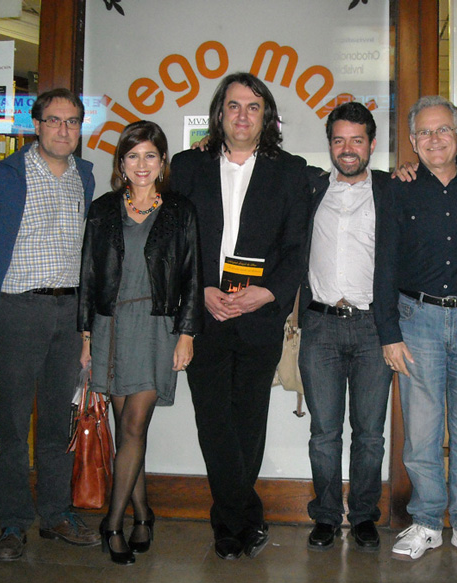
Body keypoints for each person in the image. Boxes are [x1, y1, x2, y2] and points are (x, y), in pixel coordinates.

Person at [169, 72, 309, 560]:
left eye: (253, 106)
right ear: (219, 114)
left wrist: (266, 294)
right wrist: (199, 289)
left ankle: (231, 523)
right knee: (213, 421)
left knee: (248, 421)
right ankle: (241, 518)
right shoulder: (187, 166)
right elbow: (174, 240)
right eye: (233, 106)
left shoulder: (290, 171)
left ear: (266, 116)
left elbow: (297, 247)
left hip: (259, 317)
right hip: (203, 315)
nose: (243, 115)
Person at [0, 88, 101, 561]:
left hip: (69, 314)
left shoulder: (85, 176)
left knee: (59, 422)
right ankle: (13, 522)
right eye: (54, 120)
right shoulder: (5, 178)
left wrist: (87, 328)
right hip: (16, 313)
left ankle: (56, 514)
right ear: (36, 125)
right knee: (14, 423)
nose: (64, 129)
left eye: (72, 121)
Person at [374, 95, 457, 563]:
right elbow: (385, 263)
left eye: (443, 129)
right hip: (418, 321)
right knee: (422, 431)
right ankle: (428, 522)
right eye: (425, 132)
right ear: (413, 141)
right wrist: (388, 332)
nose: (434, 139)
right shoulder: (398, 189)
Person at [78, 120, 203, 565]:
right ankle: (144, 514)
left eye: (150, 155)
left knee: (133, 426)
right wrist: (86, 336)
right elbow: (88, 275)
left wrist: (187, 333)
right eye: (133, 155)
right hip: (111, 326)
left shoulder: (180, 210)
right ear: (121, 163)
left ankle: (112, 523)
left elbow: (193, 276)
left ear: (163, 161)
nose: (142, 164)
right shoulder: (103, 209)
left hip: (157, 326)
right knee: (128, 430)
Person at [299, 102, 394, 552]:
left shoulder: (393, 189)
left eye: (357, 140)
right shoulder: (311, 187)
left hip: (375, 326)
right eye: (339, 140)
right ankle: (325, 515)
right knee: (324, 433)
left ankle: (362, 515)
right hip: (320, 326)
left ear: (372, 144)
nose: (348, 148)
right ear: (330, 145)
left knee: (370, 434)